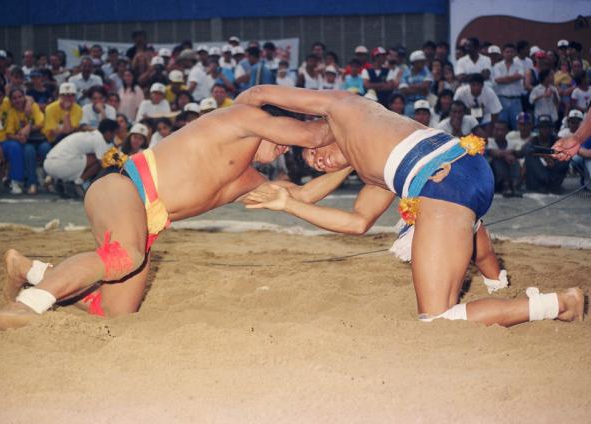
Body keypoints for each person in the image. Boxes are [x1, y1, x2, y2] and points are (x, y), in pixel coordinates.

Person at [237, 85, 583, 327]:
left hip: (446, 181)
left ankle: (560, 304)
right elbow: (356, 222)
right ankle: (496, 281)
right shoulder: (378, 169)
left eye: (314, 151)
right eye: (316, 165)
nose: (320, 160)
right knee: (450, 223)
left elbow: (258, 95)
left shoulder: (345, 108)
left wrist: (228, 125)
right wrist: (285, 203)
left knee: (436, 316)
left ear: (315, 130)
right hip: (463, 176)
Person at [0, 104, 352, 329]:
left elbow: (302, 196)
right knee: (124, 256)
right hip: (120, 187)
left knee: (116, 313)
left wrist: (349, 164)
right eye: (283, 137)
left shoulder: (250, 180)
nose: (286, 146)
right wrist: (353, 134)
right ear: (271, 124)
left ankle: (31, 272)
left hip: (145, 226)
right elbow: (310, 131)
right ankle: (27, 306)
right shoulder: (237, 120)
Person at [43, 119, 119, 197]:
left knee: (92, 156)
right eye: (115, 133)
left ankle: (55, 179)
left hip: (48, 163)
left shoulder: (92, 135)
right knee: (99, 161)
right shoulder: (99, 139)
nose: (114, 137)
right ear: (108, 133)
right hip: (60, 165)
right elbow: (104, 164)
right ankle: (78, 182)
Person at [5, 87, 47, 195]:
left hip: (38, 139)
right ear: (11, 101)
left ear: (24, 98)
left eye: (20, 97)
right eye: (14, 98)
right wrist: (19, 137)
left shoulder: (33, 106)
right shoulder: (12, 113)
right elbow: (9, 133)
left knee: (46, 148)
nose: (17, 100)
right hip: (25, 142)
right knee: (29, 151)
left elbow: (41, 122)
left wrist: (29, 127)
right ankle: (32, 183)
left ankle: (49, 181)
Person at [523, 115, 569, 194]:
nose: (544, 129)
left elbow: (566, 150)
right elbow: (525, 150)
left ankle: (553, 185)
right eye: (542, 127)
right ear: (538, 128)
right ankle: (542, 185)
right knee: (529, 156)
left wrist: (554, 157)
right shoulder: (533, 139)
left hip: (552, 170)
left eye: (547, 127)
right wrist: (544, 156)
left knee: (566, 158)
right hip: (538, 175)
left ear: (551, 128)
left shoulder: (555, 139)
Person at [486, 120, 524, 197]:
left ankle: (514, 185)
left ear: (507, 131)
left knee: (514, 160)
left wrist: (512, 154)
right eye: (497, 130)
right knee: (497, 160)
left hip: (509, 175)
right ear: (493, 130)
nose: (499, 133)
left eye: (502, 130)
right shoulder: (489, 141)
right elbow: (492, 152)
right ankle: (505, 185)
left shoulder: (512, 143)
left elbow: (520, 153)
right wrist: (507, 154)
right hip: (495, 179)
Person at [493, 44, 524, 130]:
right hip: (502, 99)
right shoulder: (497, 65)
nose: (509, 54)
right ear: (503, 53)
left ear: (514, 53)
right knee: (501, 126)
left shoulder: (519, 65)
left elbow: (519, 76)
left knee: (518, 126)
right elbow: (498, 80)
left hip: (516, 100)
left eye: (511, 52)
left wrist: (505, 79)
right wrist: (513, 77)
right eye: (507, 52)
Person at [399, 50, 432, 116]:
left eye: (424, 61)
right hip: (410, 103)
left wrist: (411, 87)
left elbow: (426, 86)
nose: (423, 63)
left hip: (423, 101)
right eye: (421, 61)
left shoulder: (426, 70)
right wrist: (421, 88)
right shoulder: (407, 71)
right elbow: (403, 90)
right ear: (414, 62)